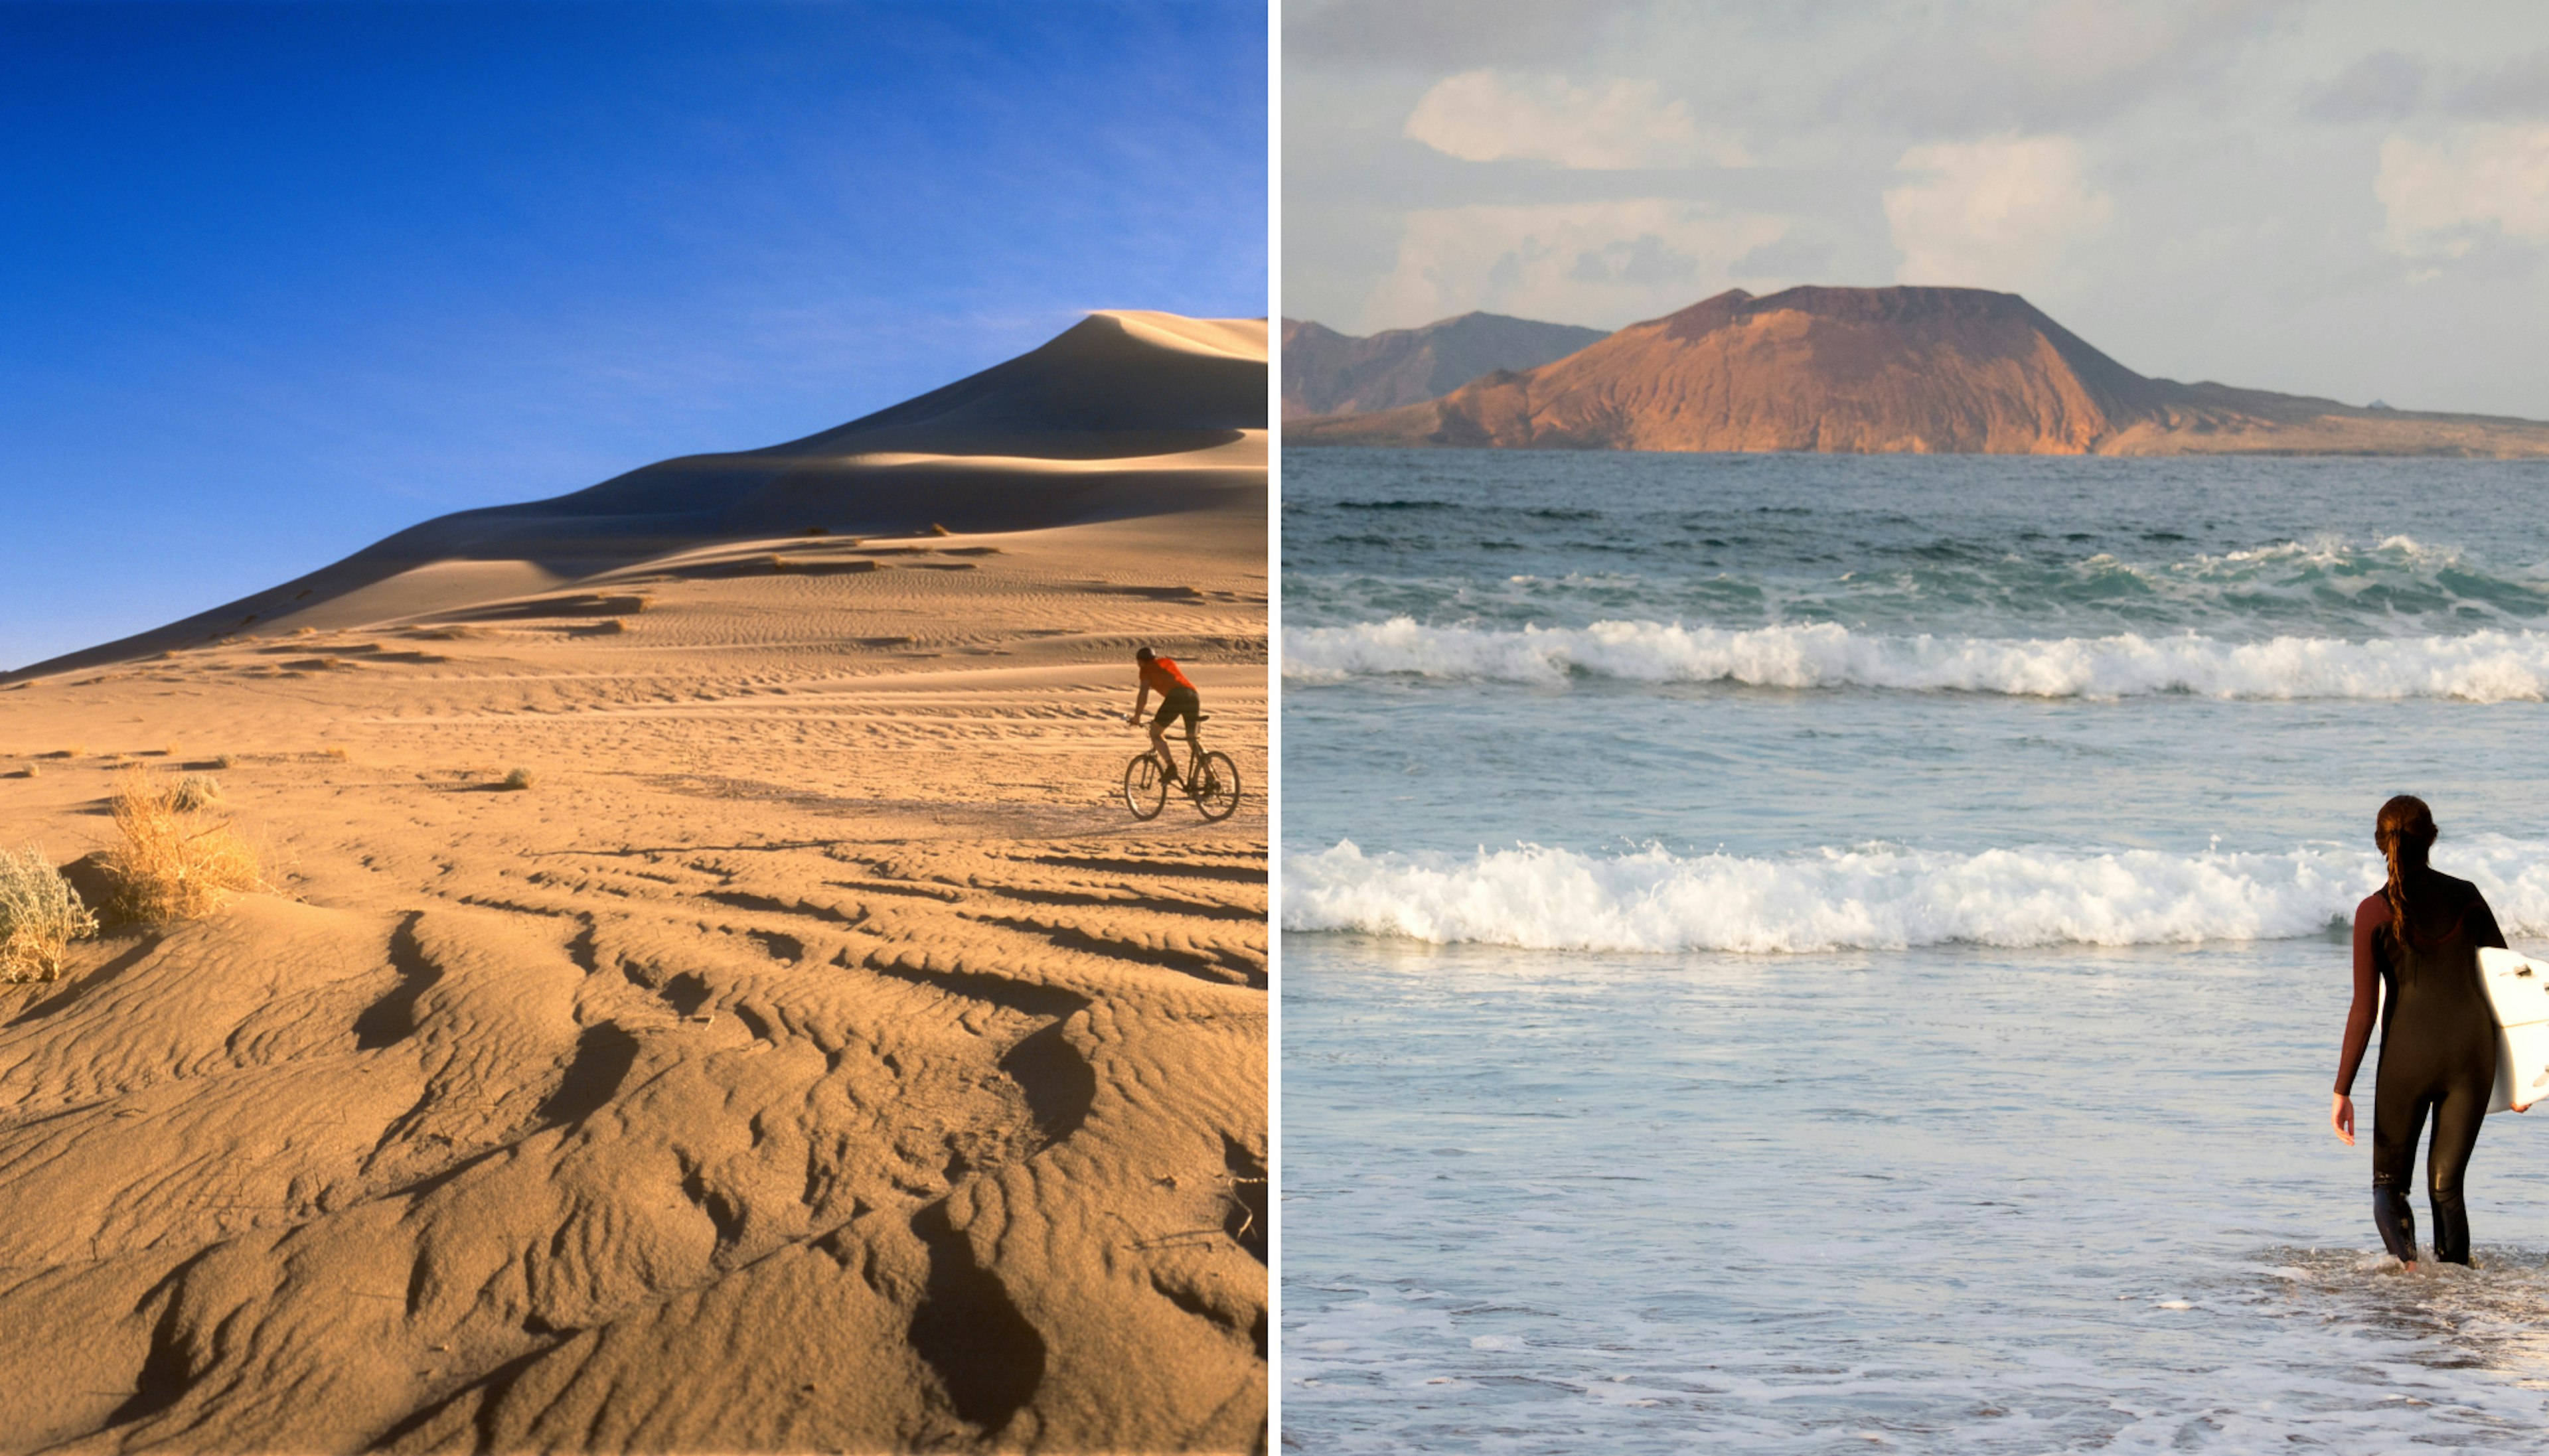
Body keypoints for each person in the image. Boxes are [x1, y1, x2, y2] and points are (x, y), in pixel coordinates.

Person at [2331, 794, 2526, 1268]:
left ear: (2382, 844)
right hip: (2471, 1058)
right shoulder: (2467, 895)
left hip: (2406, 1062)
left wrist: (2342, 1090)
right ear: (2432, 838)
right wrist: (2526, 1075)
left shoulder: (2373, 912)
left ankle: (2412, 1281)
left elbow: (2364, 1008)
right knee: (2446, 1186)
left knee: (2389, 1190)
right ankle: (2459, 1300)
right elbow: (2509, 979)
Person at [1125, 646, 1201, 787]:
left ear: (1141, 661)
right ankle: (1211, 777)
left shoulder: (1146, 669)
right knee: (1192, 739)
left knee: (1155, 733)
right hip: (1193, 695)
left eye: (1138, 663)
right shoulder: (1167, 662)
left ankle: (1171, 767)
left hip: (1177, 696)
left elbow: (1143, 694)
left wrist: (1137, 717)